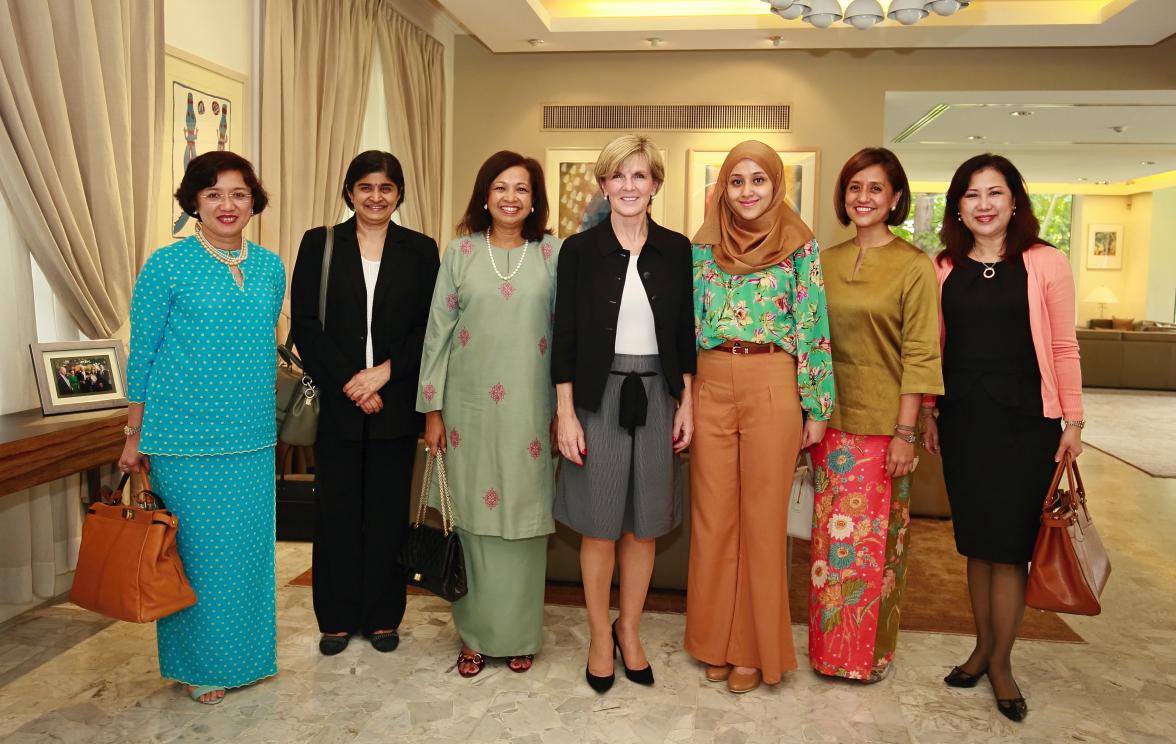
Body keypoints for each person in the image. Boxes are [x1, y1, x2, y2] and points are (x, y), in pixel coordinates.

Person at [119, 151, 285, 705]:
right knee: (194, 556)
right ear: (194, 201)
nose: (227, 205)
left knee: (249, 555)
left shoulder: (270, 266)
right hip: (185, 437)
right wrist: (132, 433)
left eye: (238, 193)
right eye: (213, 194)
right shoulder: (166, 265)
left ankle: (248, 658)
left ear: (252, 200)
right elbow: (142, 352)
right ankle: (199, 666)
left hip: (255, 435)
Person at [922, 153, 1084, 722]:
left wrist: (1073, 421)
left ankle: (1002, 664)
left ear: (1015, 200)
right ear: (957, 208)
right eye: (971, 195)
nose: (984, 205)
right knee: (976, 543)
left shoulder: (1045, 262)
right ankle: (981, 648)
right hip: (964, 421)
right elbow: (930, 348)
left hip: (1027, 423)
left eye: (995, 193)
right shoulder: (942, 267)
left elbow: (1063, 346)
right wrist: (927, 412)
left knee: (1011, 549)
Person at [685, 140, 834, 694]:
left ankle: (751, 649)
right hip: (710, 381)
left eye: (758, 180)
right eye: (736, 180)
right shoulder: (701, 247)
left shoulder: (801, 246)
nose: (747, 191)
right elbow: (686, 327)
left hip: (774, 381)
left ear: (777, 185)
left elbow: (813, 325)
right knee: (713, 517)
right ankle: (713, 642)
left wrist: (816, 406)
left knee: (764, 523)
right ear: (722, 187)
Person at [551, 135, 695, 694]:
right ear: (603, 185)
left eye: (640, 176)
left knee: (645, 528)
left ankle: (629, 630)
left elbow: (685, 332)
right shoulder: (578, 252)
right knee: (599, 526)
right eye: (618, 176)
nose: (629, 187)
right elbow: (563, 338)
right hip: (596, 398)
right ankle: (596, 636)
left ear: (656, 185)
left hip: (659, 395)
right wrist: (565, 412)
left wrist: (687, 401)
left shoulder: (677, 249)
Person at [417, 151, 561, 677]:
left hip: (532, 409)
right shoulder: (459, 253)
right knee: (473, 521)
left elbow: (567, 335)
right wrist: (432, 410)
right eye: (500, 187)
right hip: (468, 410)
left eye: (521, 189)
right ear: (484, 194)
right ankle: (474, 636)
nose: (510, 197)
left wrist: (565, 409)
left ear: (534, 200)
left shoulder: (553, 252)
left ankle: (521, 635)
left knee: (523, 519)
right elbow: (438, 333)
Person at [291, 151, 440, 657]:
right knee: (335, 513)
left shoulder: (421, 250)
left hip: (395, 403)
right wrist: (351, 382)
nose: (376, 197)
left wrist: (385, 374)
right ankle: (334, 619)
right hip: (337, 405)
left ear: (399, 194)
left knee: (385, 514)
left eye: (386, 188)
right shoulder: (320, 243)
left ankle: (381, 617)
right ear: (350, 192)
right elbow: (305, 327)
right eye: (365, 187)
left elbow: (431, 327)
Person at [807, 148, 943, 683]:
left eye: (876, 189)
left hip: (886, 430)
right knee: (828, 550)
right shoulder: (825, 260)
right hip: (829, 426)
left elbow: (920, 354)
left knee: (875, 551)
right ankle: (826, 652)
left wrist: (906, 431)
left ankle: (867, 658)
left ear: (895, 199)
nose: (863, 198)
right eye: (855, 187)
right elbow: (812, 343)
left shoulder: (914, 266)